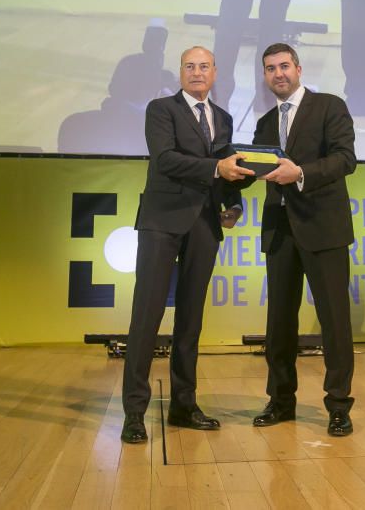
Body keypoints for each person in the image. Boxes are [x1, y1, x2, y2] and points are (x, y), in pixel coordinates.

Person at [120, 46, 254, 444]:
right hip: (162, 221)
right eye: (190, 66)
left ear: (215, 72)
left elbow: (228, 171)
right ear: (180, 72)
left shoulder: (224, 118)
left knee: (191, 320)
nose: (197, 72)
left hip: (205, 224)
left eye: (204, 66)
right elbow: (166, 160)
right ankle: (134, 413)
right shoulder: (160, 110)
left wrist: (233, 202)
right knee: (147, 317)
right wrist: (217, 168)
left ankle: (183, 404)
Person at [246, 42, 357, 436]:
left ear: (299, 68)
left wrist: (302, 173)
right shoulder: (262, 124)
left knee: (334, 322)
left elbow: (346, 159)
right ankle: (281, 401)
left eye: (284, 66)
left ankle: (339, 406)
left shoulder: (329, 106)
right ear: (265, 76)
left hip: (323, 228)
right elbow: (252, 173)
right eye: (270, 69)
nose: (278, 74)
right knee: (279, 323)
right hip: (280, 231)